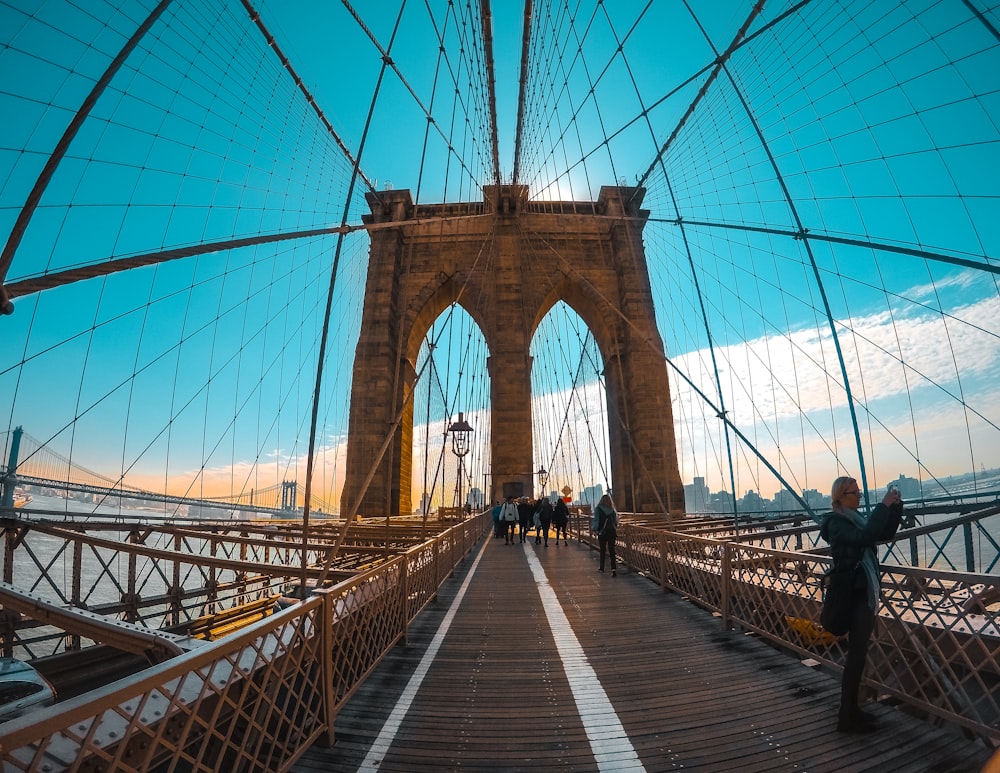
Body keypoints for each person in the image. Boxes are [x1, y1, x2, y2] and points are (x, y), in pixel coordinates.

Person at [820, 477, 903, 733]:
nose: (859, 497)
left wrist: (894, 508)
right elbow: (866, 536)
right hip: (854, 594)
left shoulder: (855, 519)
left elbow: (882, 534)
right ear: (840, 496)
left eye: (859, 493)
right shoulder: (836, 523)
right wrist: (882, 505)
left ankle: (852, 710)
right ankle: (847, 715)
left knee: (859, 654)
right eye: (855, 493)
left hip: (862, 591)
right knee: (856, 655)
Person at [593, 493, 618, 575]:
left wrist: (595, 529)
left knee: (602, 550)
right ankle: (613, 569)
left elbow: (596, 521)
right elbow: (616, 522)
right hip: (612, 531)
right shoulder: (612, 510)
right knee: (612, 550)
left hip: (602, 532)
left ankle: (602, 568)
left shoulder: (598, 509)